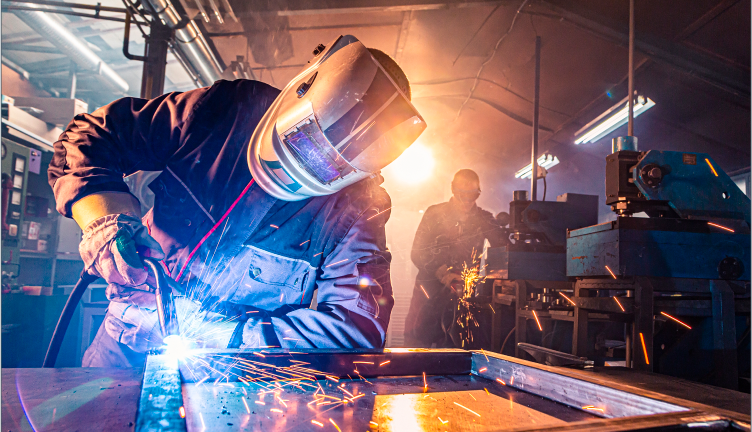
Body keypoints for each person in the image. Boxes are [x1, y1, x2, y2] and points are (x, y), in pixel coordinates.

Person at [48, 35, 426, 367]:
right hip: (126, 336)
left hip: (232, 370)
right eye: (305, 142)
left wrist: (222, 336)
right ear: (304, 95)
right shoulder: (223, 111)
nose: (304, 168)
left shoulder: (357, 207)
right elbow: (91, 137)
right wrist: (107, 223)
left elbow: (355, 331)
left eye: (330, 167)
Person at [403, 169, 503, 348]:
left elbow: (504, 248)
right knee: (417, 341)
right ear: (452, 189)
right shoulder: (434, 214)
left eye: (472, 195)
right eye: (462, 194)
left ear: (478, 193)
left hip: (463, 292)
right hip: (429, 290)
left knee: (459, 343)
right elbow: (417, 252)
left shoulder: (484, 219)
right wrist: (443, 273)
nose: (466, 200)